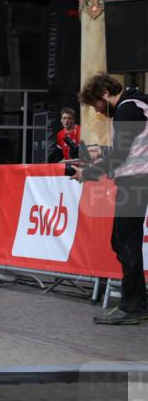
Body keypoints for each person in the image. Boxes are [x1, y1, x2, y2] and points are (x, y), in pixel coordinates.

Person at [74, 73, 148, 325]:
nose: (97, 110)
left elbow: (121, 156)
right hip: (137, 178)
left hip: (136, 180)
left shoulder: (127, 109)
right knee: (122, 240)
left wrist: (88, 173)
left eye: (95, 103)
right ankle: (137, 300)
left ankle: (132, 306)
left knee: (126, 240)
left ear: (105, 93)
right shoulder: (137, 103)